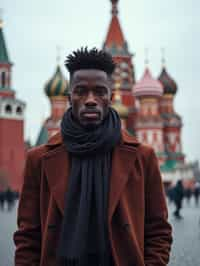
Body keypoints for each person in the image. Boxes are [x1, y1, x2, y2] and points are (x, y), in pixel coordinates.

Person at [14, 48, 172, 266]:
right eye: (80, 91)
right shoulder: (39, 160)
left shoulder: (142, 157)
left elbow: (158, 229)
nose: (90, 100)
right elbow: (28, 236)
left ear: (111, 96)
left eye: (100, 91)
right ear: (69, 97)